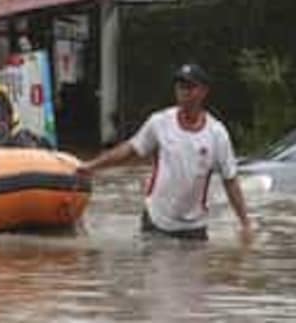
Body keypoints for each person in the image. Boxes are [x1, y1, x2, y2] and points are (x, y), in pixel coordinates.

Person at [77, 64, 254, 242]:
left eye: (190, 87)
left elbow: (230, 181)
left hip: (194, 227)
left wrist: (245, 223)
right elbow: (131, 150)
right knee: (156, 268)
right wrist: (92, 166)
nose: (184, 92)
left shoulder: (217, 134)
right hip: (156, 220)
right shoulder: (159, 122)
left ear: (203, 91)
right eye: (180, 87)